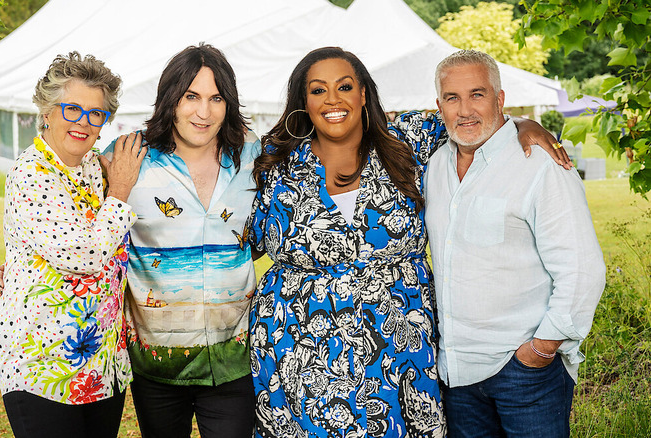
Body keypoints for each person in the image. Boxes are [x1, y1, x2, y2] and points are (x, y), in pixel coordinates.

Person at [248, 46, 568, 438]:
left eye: (344, 86)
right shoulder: (276, 161)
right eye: (318, 90)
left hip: (398, 351)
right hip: (298, 350)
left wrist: (522, 124)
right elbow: (242, 239)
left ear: (364, 93)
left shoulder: (407, 141)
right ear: (303, 100)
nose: (333, 99)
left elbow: (469, 115)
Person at [424, 49, 606, 437]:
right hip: (456, 372)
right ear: (439, 106)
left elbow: (582, 269)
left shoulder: (539, 165)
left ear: (500, 98)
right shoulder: (434, 165)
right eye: (452, 98)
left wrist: (540, 350)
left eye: (477, 94)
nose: (465, 109)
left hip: (524, 372)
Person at [105, 43, 260, 438]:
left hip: (234, 359)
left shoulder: (255, 156)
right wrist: (22, 266)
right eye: (191, 96)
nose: (203, 112)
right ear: (170, 98)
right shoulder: (126, 156)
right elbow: (77, 218)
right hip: (156, 364)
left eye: (216, 98)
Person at [0, 52, 147, 437]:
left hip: (102, 362)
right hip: (42, 365)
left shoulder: (96, 167)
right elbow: (83, 256)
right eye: (72, 108)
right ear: (47, 111)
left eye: (96, 114)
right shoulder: (30, 174)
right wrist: (122, 190)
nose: (83, 122)